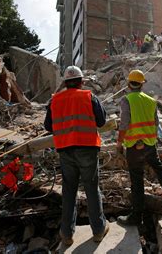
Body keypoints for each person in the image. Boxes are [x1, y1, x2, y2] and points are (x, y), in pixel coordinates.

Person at [44, 66, 109, 246]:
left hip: (65, 149)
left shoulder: (54, 101)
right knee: (91, 189)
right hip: (87, 148)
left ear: (65, 82)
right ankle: (98, 230)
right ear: (81, 81)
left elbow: (48, 127)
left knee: (69, 191)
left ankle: (66, 234)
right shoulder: (89, 97)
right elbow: (102, 121)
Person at [116, 70, 162, 226]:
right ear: (142, 84)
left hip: (134, 147)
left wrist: (119, 143)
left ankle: (136, 216)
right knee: (159, 168)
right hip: (149, 144)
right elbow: (156, 124)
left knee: (137, 180)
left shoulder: (126, 100)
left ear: (129, 84)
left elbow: (124, 124)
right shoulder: (150, 100)